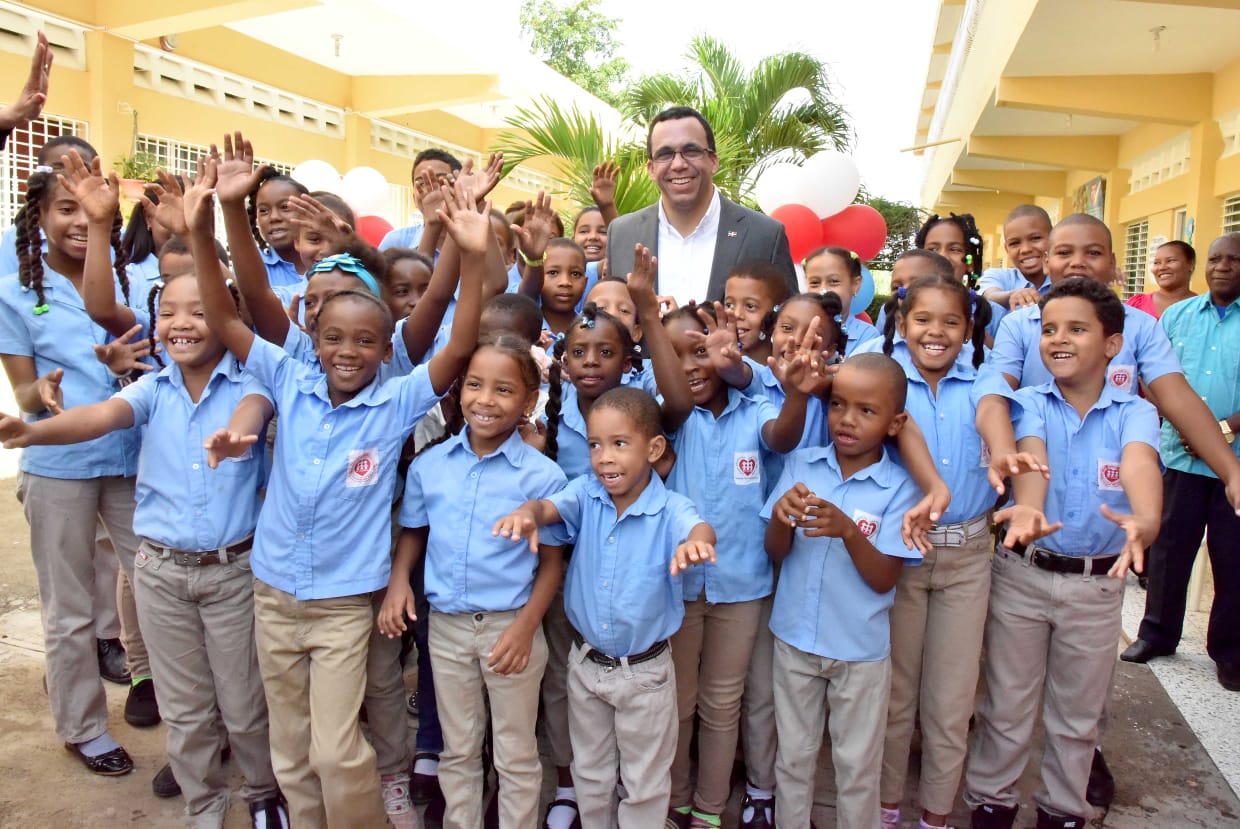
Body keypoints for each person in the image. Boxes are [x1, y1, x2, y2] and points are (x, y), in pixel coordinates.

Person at [186, 155, 484, 828]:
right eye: (334, 338)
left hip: (345, 603)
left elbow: (458, 336)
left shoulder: (396, 401)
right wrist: (218, 220)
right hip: (274, 593)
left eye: (366, 341)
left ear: (387, 350)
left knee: (336, 746)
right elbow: (231, 311)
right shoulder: (290, 379)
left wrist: (468, 252)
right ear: (311, 340)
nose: (349, 351)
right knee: (290, 748)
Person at [0, 263, 287, 828]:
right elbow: (98, 417)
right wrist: (31, 431)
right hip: (159, 572)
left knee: (245, 703)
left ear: (228, 320)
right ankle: (203, 802)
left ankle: (260, 793)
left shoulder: (252, 384)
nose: (180, 324)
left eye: (200, 312)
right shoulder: (153, 389)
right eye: (167, 313)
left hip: (232, 572)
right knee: (184, 707)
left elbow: (254, 411)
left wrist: (235, 437)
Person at [986, 212, 1240, 807]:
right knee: (1010, 688)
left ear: (1112, 264)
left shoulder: (1139, 336)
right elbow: (1002, 403)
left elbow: (1170, 404)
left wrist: (1229, 472)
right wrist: (1007, 459)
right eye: (1064, 252)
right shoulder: (1026, 326)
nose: (1077, 262)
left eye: (1094, 252)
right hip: (1027, 526)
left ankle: (1078, 771)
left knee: (1083, 696)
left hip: (1096, 548)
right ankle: (997, 790)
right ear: (1046, 259)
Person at [965, 278, 1162, 829]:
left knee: (1077, 718)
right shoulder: (1027, 402)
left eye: (1077, 329)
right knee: (1005, 707)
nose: (1059, 339)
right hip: (1023, 577)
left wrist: (1145, 518)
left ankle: (1061, 810)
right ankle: (992, 804)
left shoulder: (1135, 413)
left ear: (1112, 345)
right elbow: (1032, 456)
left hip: (1096, 588)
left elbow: (1140, 464)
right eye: (1049, 329)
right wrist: (1027, 509)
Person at [0, 151, 159, 778]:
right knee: (67, 607)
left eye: (88, 210)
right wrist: (45, 395)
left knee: (155, 586)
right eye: (63, 209)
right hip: (58, 464)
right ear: (38, 216)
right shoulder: (16, 289)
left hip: (129, 458)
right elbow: (23, 392)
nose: (76, 222)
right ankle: (83, 726)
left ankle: (181, 707)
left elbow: (157, 357)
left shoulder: (121, 276)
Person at [493, 386, 717, 829]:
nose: (604, 458)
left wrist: (696, 545)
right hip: (587, 666)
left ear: (653, 449)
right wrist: (527, 513)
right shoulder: (586, 493)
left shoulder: (671, 509)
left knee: (645, 782)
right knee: (590, 774)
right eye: (595, 445)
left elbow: (700, 527)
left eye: (619, 444)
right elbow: (548, 506)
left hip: (646, 674)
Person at [380, 334, 567, 829]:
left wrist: (527, 628)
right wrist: (400, 580)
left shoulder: (542, 478)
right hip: (447, 630)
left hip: (512, 627)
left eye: (504, 390)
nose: (486, 400)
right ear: (458, 391)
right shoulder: (430, 467)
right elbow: (414, 533)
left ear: (529, 402)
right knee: (458, 749)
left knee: (515, 753)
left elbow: (552, 563)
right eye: (476, 386)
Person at [536, 247, 692, 829]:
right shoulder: (547, 415)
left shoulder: (636, 414)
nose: (592, 362)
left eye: (607, 351)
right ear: (563, 362)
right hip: (567, 570)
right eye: (579, 352)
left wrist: (647, 309)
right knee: (567, 684)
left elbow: (675, 408)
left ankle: (635, 803)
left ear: (629, 363)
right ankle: (576, 787)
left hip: (631, 570)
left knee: (631, 712)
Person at [875, 275, 1028, 829]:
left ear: (968, 331)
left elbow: (993, 412)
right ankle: (887, 807)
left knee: (951, 698)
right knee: (894, 694)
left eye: (951, 323)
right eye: (923, 320)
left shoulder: (983, 379)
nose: (936, 332)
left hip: (966, 559)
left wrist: (1004, 454)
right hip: (901, 554)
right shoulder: (887, 378)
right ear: (901, 324)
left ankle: (936, 815)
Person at [661, 302, 821, 829]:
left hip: (741, 587)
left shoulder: (755, 413)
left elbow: (783, 438)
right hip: (678, 589)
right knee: (678, 704)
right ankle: (675, 799)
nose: (691, 366)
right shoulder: (669, 422)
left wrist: (797, 393)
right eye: (677, 355)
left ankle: (709, 807)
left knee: (722, 704)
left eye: (701, 352)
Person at [760, 353, 924, 829]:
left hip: (859, 652)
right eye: (837, 405)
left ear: (895, 423)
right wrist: (780, 517)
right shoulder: (802, 465)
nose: (847, 420)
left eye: (866, 411)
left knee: (856, 768)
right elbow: (775, 552)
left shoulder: (900, 489)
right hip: (794, 641)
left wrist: (850, 531)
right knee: (792, 759)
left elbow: (884, 578)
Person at [1122, 233, 1240, 692]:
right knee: (1169, 553)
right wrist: (1183, 425)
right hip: (1178, 458)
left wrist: (1219, 431)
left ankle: (1229, 653)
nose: (1223, 266)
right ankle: (1157, 635)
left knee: (1232, 560)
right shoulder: (1177, 316)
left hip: (1233, 464)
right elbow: (1152, 376)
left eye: (1233, 259)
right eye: (1216, 259)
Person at [605, 106, 796, 306]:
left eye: (691, 151)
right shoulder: (621, 234)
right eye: (665, 154)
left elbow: (789, 321)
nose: (678, 164)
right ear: (651, 169)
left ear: (713, 161)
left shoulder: (765, 235)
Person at [803, 246, 880, 355]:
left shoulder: (868, 336)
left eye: (834, 281)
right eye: (815, 283)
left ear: (855, 285)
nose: (823, 291)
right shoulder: (797, 329)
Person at [977, 205, 1053, 309]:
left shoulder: (1064, 279)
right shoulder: (998, 276)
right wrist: (1011, 296)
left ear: (1053, 239)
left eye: (1035, 238)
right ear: (1007, 249)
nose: (1025, 249)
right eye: (1014, 243)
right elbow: (990, 295)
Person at [722, 262, 792, 367]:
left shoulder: (788, 374)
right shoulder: (717, 371)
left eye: (750, 306)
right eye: (729, 305)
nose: (736, 314)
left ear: (778, 312)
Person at [1125, 240, 1197, 319]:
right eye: (1157, 263)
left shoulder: (1203, 307)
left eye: (1170, 261)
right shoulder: (1136, 305)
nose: (1162, 267)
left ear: (1191, 264)